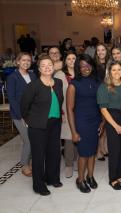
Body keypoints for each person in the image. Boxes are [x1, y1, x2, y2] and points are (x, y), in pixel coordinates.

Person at [21, 55, 63, 196]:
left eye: (49, 65)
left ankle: (52, 178)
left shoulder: (58, 82)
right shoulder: (33, 86)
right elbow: (24, 107)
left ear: (53, 67)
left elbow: (59, 101)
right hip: (38, 125)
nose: (47, 67)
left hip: (55, 123)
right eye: (43, 65)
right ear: (39, 69)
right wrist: (29, 120)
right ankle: (38, 185)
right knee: (39, 156)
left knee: (54, 152)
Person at [67, 54, 102, 193]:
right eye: (82, 66)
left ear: (92, 66)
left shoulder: (97, 81)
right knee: (83, 153)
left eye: (88, 65)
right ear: (78, 68)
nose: (85, 68)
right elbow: (69, 109)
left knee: (92, 152)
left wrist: (103, 122)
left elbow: (101, 104)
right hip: (81, 122)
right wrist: (74, 132)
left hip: (95, 121)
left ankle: (90, 176)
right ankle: (80, 179)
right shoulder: (73, 84)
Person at [97, 61, 121, 190]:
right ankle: (112, 178)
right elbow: (103, 109)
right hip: (112, 118)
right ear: (109, 72)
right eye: (114, 70)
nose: (117, 72)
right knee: (115, 151)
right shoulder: (104, 86)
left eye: (119, 70)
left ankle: (120, 176)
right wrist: (116, 126)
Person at [7, 52, 37, 177]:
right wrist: (22, 116)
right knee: (28, 140)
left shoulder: (33, 75)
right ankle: (25, 164)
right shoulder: (12, 77)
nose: (26, 62)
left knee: (34, 139)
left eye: (28, 60)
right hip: (19, 115)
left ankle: (32, 161)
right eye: (23, 60)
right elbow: (12, 99)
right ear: (18, 62)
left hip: (33, 113)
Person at [54, 52, 78, 178]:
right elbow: (56, 95)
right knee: (68, 137)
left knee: (79, 136)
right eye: (69, 58)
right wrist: (60, 112)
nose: (71, 60)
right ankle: (69, 164)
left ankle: (77, 161)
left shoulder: (81, 73)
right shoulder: (59, 75)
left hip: (80, 110)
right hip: (65, 109)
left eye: (74, 58)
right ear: (65, 61)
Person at [94, 43, 111, 161]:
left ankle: (104, 146)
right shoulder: (94, 65)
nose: (100, 52)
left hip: (110, 96)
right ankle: (98, 150)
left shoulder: (110, 63)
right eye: (98, 50)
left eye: (103, 50)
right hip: (99, 96)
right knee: (100, 124)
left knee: (107, 123)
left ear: (106, 51)